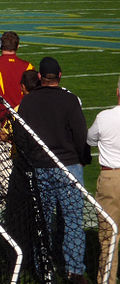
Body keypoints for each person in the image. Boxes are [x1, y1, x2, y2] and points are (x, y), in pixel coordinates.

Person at [17, 57, 88, 283]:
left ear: (39, 77)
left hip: (41, 166)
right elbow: (80, 135)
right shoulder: (69, 100)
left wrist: (31, 159)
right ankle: (74, 269)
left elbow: (20, 137)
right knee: (73, 220)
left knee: (43, 221)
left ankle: (44, 268)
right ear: (60, 75)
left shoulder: (28, 102)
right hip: (68, 165)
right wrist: (82, 158)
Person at [87, 74, 120, 284]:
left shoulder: (104, 117)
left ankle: (107, 280)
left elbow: (89, 139)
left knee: (109, 236)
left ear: (118, 92)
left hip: (110, 178)